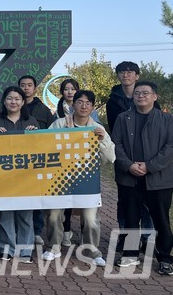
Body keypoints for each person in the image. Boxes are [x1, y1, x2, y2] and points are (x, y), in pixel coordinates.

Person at [42, 90, 115, 267]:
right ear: (72, 104)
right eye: (80, 102)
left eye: (88, 103)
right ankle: (54, 247)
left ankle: (91, 249)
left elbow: (110, 158)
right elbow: (43, 145)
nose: (83, 106)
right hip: (60, 180)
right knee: (54, 215)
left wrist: (103, 139)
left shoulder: (98, 129)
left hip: (86, 180)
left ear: (92, 107)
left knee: (90, 219)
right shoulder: (59, 124)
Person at [112, 81, 173, 275]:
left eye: (145, 93)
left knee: (161, 219)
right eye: (137, 93)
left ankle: (164, 257)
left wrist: (150, 166)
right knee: (130, 218)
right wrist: (129, 165)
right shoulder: (123, 118)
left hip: (159, 179)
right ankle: (130, 254)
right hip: (129, 177)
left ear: (155, 96)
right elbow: (116, 144)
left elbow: (170, 148)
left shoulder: (167, 119)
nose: (140, 96)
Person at [0, 86, 39, 263]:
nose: (13, 102)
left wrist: (35, 135)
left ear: (23, 102)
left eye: (17, 99)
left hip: (26, 176)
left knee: (25, 214)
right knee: (6, 213)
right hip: (4, 176)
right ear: (4, 101)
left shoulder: (31, 121)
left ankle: (25, 251)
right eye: (9, 98)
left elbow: (41, 148)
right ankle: (6, 249)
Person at [106, 61, 155, 247]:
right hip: (125, 156)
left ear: (136, 75)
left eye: (130, 72)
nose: (125, 75)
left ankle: (147, 239)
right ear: (117, 76)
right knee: (125, 200)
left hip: (147, 156)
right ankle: (126, 236)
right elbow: (115, 132)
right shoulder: (113, 101)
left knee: (149, 200)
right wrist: (125, 160)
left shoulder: (150, 97)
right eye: (121, 72)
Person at [18, 74, 54, 245]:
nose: (26, 88)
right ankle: (21, 230)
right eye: (22, 85)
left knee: (36, 196)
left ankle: (36, 231)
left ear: (35, 88)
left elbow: (52, 133)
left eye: (29, 85)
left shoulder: (43, 110)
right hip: (15, 161)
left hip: (37, 160)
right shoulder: (12, 105)